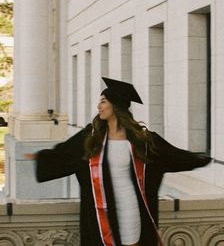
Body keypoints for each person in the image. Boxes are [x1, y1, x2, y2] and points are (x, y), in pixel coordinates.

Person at [26, 77, 211, 246]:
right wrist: (42, 156)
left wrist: (198, 159)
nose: (99, 106)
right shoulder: (92, 136)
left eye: (103, 101)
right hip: (102, 208)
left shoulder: (142, 139)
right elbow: (65, 153)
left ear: (116, 105)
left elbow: (172, 156)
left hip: (130, 205)